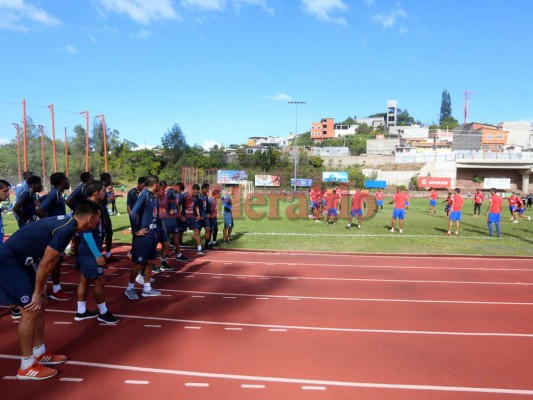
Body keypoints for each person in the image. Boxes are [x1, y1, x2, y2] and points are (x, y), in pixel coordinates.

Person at [0, 200, 101, 380]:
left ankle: (39, 352)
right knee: (30, 310)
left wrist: (42, 289)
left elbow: (50, 261)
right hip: (9, 263)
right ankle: (26, 366)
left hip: (23, 262)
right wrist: (37, 293)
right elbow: (47, 261)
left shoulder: (69, 225)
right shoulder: (66, 229)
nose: (98, 222)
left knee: (41, 304)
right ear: (91, 218)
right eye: (98, 219)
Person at [74, 181, 119, 324]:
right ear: (96, 193)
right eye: (103, 190)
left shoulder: (92, 206)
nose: (105, 192)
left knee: (85, 279)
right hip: (89, 251)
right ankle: (103, 312)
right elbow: (86, 234)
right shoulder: (89, 208)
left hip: (87, 250)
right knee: (99, 280)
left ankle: (81, 311)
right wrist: (97, 254)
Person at [126, 175, 163, 299]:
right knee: (138, 263)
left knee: (150, 262)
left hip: (152, 236)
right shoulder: (144, 195)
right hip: (143, 237)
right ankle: (130, 288)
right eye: (158, 184)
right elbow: (132, 213)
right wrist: (135, 230)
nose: (160, 186)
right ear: (155, 184)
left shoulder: (153, 196)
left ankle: (147, 288)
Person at [36, 172, 71, 301]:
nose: (68, 181)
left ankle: (52, 288)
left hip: (57, 232)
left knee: (56, 260)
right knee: (54, 261)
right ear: (61, 181)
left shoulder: (57, 194)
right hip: (54, 233)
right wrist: (53, 224)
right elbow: (39, 210)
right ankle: (54, 290)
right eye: (66, 179)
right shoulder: (55, 194)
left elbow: (39, 202)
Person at [161, 181, 188, 262]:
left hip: (172, 219)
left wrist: (179, 214)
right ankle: (162, 260)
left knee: (176, 236)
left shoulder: (172, 193)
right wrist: (169, 211)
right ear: (177, 187)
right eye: (180, 190)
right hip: (167, 219)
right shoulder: (170, 191)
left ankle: (178, 253)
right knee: (166, 239)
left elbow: (175, 204)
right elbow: (163, 202)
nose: (180, 192)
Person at [180, 184, 205, 255]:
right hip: (184, 217)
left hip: (192, 217)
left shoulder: (196, 197)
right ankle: (178, 246)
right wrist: (180, 215)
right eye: (195, 192)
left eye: (197, 192)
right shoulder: (184, 196)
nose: (196, 193)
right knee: (180, 232)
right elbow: (178, 205)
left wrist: (199, 214)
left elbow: (196, 206)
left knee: (197, 231)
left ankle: (199, 248)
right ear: (192, 190)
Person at [99, 173, 114, 261]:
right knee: (101, 235)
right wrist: (103, 217)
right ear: (107, 178)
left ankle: (108, 254)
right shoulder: (101, 187)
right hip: (101, 214)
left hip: (104, 213)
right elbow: (100, 203)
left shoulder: (103, 187)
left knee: (109, 233)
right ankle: (99, 257)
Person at [198, 183, 212, 249]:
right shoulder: (198, 195)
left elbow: (207, 204)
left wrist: (208, 212)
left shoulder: (205, 195)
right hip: (200, 216)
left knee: (208, 229)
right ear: (203, 188)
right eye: (207, 189)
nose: (208, 190)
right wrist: (197, 215)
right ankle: (199, 245)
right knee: (198, 230)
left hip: (205, 215)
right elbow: (195, 206)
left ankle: (207, 245)